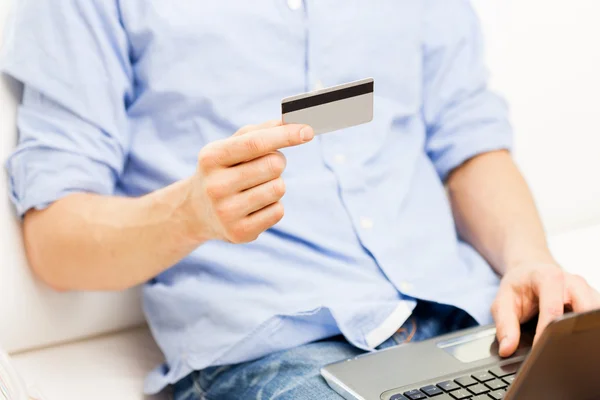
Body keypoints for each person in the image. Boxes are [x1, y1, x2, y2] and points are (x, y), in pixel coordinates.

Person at [2, 0, 599, 399]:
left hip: (471, 319)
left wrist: (526, 260)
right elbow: (54, 241)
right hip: (279, 356)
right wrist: (189, 215)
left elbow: (467, 143)